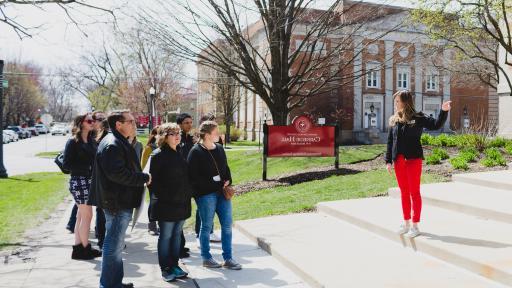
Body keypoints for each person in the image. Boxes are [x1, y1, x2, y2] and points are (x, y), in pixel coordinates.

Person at [91, 110, 151, 288]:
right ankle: (108, 285)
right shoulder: (112, 144)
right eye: (131, 121)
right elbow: (117, 174)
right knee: (113, 246)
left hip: (118, 201)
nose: (135, 124)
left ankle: (114, 282)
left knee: (116, 246)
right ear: (118, 124)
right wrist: (143, 178)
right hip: (116, 203)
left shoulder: (117, 141)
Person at [385, 90, 451, 238]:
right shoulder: (394, 120)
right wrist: (388, 161)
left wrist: (443, 111)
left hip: (413, 160)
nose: (396, 104)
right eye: (395, 102)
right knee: (403, 192)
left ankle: (415, 225)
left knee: (414, 192)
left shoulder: (418, 117)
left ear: (405, 102)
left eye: (398, 101)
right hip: (399, 161)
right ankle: (406, 222)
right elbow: (390, 142)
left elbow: (435, 125)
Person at [188, 121, 242, 270]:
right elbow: (194, 178)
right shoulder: (195, 151)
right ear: (206, 134)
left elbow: (225, 168)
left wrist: (228, 180)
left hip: (222, 193)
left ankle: (228, 258)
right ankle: (206, 258)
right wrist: (215, 183)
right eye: (216, 132)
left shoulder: (219, 148)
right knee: (206, 226)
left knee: (227, 225)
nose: (219, 135)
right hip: (205, 195)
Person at [149, 123, 192, 282]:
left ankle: (174, 265)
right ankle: (165, 268)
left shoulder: (180, 152)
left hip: (182, 203)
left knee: (176, 237)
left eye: (178, 133)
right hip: (166, 205)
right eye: (173, 133)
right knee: (166, 236)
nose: (177, 136)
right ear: (164, 137)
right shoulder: (158, 155)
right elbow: (154, 184)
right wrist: (170, 196)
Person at [63, 113, 101, 260]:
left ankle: (78, 249)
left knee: (81, 215)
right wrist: (86, 168)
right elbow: (66, 165)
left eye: (94, 120)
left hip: (89, 181)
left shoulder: (91, 141)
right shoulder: (73, 142)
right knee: (87, 215)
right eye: (89, 120)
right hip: (79, 181)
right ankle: (85, 249)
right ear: (81, 123)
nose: (93, 123)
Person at [91, 111, 108, 251]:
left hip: (101, 179)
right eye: (98, 119)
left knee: (101, 211)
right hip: (99, 180)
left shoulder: (105, 137)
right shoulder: (92, 137)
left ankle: (102, 239)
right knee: (101, 211)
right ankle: (102, 241)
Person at [141, 127, 160, 236]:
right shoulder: (149, 148)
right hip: (152, 180)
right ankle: (152, 226)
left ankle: (161, 225)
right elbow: (143, 165)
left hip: (164, 181)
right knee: (153, 202)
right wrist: (147, 179)